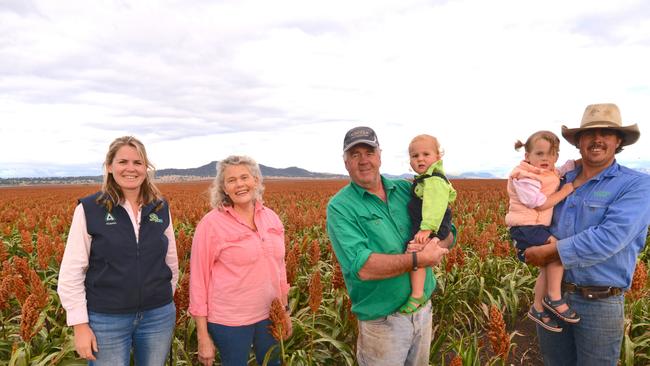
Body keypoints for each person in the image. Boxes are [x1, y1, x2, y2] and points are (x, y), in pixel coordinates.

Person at [524, 103, 650, 366]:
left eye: (606, 133)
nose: (597, 139)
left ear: (618, 141)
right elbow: (530, 214)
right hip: (551, 296)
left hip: (600, 304)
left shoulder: (636, 185)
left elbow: (609, 239)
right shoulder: (558, 179)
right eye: (589, 134)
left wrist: (546, 252)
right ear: (579, 142)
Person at [326, 126, 454, 366]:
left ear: (380, 156)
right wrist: (420, 260)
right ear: (346, 163)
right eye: (355, 155)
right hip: (382, 323)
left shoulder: (407, 189)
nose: (364, 160)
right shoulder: (340, 208)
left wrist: (436, 245)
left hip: (423, 312)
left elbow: (449, 230)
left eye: (369, 152)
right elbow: (363, 267)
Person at [57, 136, 178, 366]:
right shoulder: (90, 209)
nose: (130, 168)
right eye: (123, 162)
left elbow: (171, 261)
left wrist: (163, 299)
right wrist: (80, 324)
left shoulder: (160, 207)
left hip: (157, 316)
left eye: (138, 162)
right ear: (110, 167)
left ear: (146, 168)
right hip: (106, 319)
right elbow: (72, 271)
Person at [189, 155, 291, 366]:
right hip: (229, 322)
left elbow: (279, 267)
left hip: (270, 315)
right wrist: (202, 335)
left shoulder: (271, 217)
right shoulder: (211, 225)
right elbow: (198, 280)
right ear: (224, 188)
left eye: (244, 177)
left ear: (256, 180)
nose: (239, 184)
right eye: (231, 180)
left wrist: (284, 309)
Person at [505, 131, 578, 333]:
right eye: (539, 153)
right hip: (526, 227)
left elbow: (566, 167)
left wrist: (581, 162)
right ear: (527, 156)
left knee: (548, 263)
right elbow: (538, 204)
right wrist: (565, 191)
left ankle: (538, 307)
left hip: (535, 226)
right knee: (558, 251)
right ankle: (554, 298)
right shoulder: (525, 176)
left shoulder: (550, 171)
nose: (545, 158)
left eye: (551, 154)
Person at [399, 134, 456, 314]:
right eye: (415, 156)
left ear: (438, 157)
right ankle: (417, 292)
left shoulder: (434, 180)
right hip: (430, 224)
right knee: (417, 251)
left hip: (432, 224)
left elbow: (435, 205)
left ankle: (417, 294)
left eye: (426, 154)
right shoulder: (427, 178)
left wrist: (427, 229)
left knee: (416, 251)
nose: (420, 159)